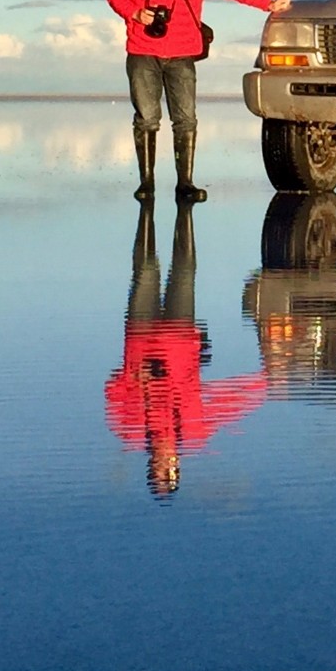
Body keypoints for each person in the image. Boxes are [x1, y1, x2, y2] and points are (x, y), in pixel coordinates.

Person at [105, 0, 291, 202]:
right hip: (142, 49)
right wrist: (136, 13)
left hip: (182, 52)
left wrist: (267, 4)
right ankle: (147, 184)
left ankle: (185, 184)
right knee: (147, 117)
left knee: (186, 118)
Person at [103, 202, 267, 496]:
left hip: (141, 332)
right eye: (170, 470)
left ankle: (147, 204)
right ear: (177, 464)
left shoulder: (128, 429)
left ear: (152, 466)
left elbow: (111, 388)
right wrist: (266, 384)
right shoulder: (193, 431)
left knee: (145, 269)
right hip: (180, 333)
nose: (165, 462)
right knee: (185, 267)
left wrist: (134, 378)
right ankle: (185, 208)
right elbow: (227, 403)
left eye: (160, 470)